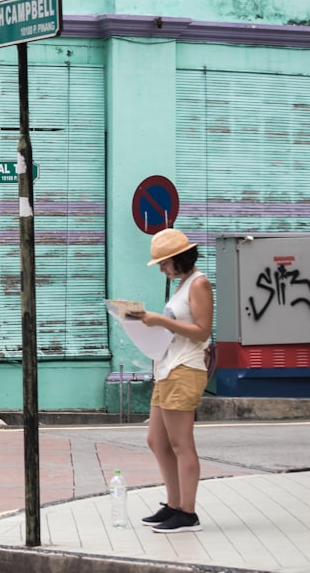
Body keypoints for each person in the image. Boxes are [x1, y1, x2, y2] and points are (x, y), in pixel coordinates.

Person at [126, 228, 213, 534]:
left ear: (179, 258)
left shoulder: (199, 284)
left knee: (181, 444)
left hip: (184, 368)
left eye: (164, 262)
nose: (162, 268)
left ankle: (187, 513)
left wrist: (160, 320)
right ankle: (173, 505)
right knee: (156, 440)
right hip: (167, 367)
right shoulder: (182, 285)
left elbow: (202, 331)